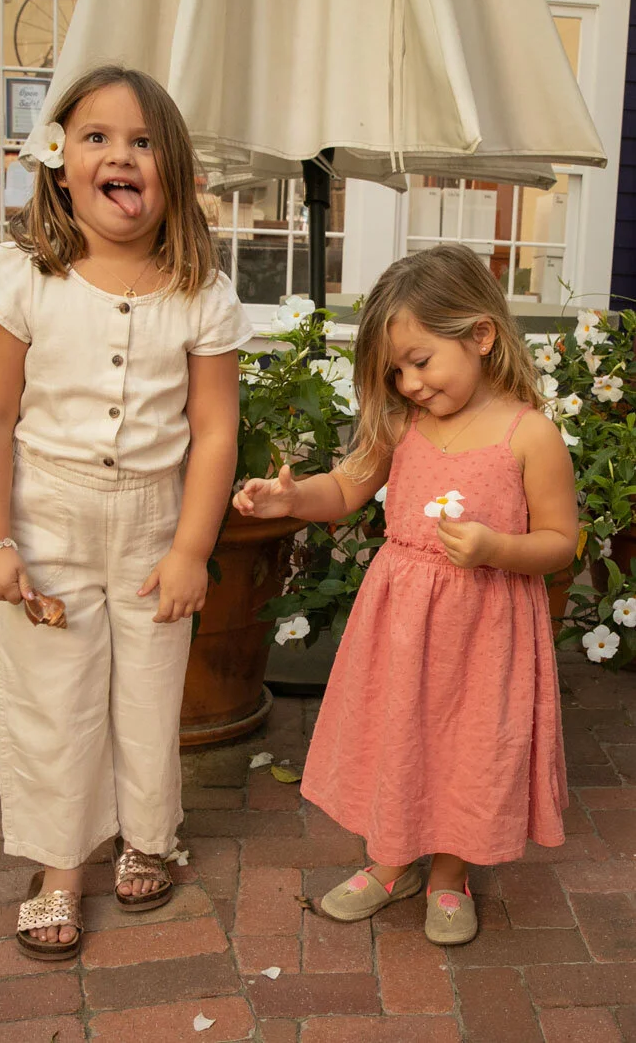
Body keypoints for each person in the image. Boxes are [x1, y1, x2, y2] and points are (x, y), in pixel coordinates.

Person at [0, 65, 252, 960]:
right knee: (53, 698)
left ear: (174, 169)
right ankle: (56, 868)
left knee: (149, 691)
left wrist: (192, 548)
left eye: (140, 141)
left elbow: (211, 431)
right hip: (48, 518)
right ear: (58, 163)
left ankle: (148, 835)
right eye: (95, 138)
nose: (118, 156)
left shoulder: (200, 289)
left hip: (152, 524)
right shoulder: (23, 278)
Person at [233, 244, 577, 945]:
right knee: (401, 733)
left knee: (469, 746)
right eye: (395, 370)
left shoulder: (530, 436)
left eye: (419, 361)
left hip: (485, 630)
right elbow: (347, 488)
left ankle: (449, 873)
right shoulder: (400, 423)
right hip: (402, 623)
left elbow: (559, 542)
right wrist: (293, 497)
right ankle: (391, 862)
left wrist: (496, 549)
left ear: (479, 335)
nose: (408, 382)